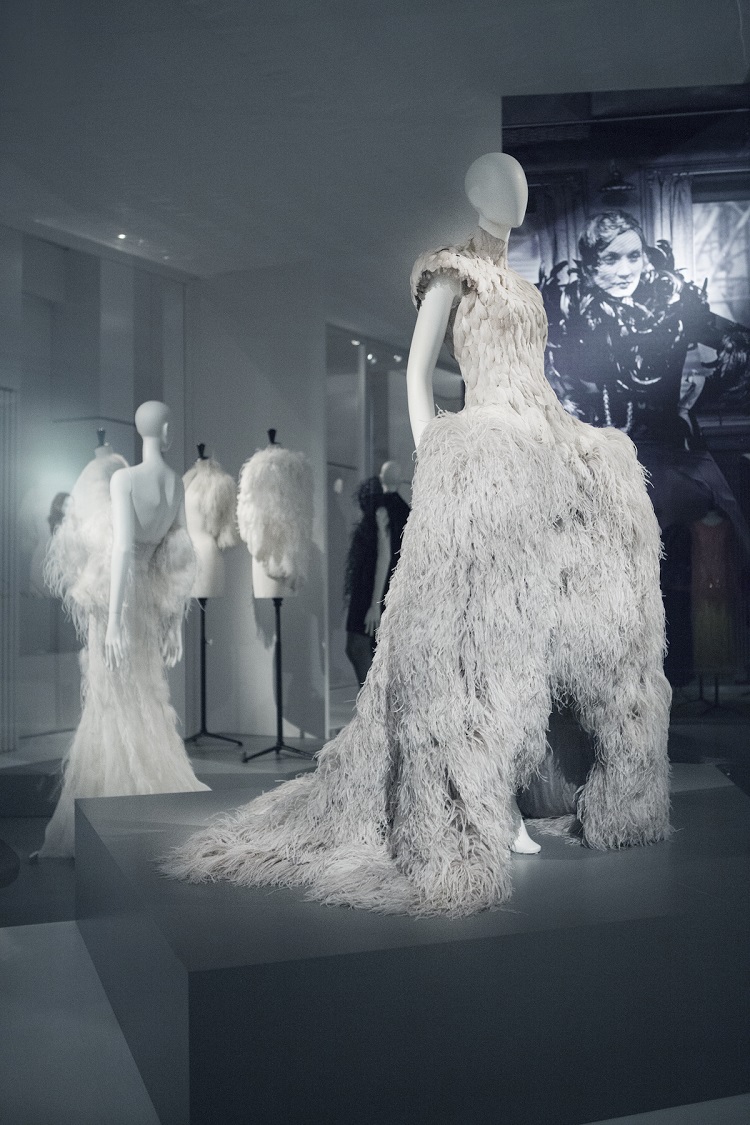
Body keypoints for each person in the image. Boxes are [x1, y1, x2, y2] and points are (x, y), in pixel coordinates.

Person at [163, 156, 670, 916]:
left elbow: (535, 376)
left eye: (522, 184)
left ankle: (562, 785)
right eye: (500, 182)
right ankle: (477, 798)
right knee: (478, 636)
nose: (516, 195)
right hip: (487, 450)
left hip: (542, 441)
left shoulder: (528, 288)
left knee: (560, 618)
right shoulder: (450, 273)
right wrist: (435, 447)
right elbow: (418, 370)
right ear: (474, 192)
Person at [541, 210, 750, 682]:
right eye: (610, 259)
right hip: (597, 465)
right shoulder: (568, 312)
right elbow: (549, 380)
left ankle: (671, 674)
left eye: (633, 256)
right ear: (590, 264)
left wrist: (699, 392)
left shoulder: (671, 304)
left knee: (674, 567)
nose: (624, 270)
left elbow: (737, 345)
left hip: (668, 459)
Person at [37, 401, 208, 859]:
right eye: (167, 424)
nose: (170, 430)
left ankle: (108, 811)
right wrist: (172, 620)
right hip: (148, 602)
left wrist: (113, 620)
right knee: (143, 695)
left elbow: (122, 550)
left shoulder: (124, 479)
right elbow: (178, 553)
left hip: (122, 600)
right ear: (159, 428)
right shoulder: (174, 483)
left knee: (112, 701)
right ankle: (134, 803)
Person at [344, 464, 410, 687]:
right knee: (371, 649)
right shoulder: (406, 512)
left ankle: (372, 701)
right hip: (387, 589)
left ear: (381, 477)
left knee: (358, 647)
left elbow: (384, 556)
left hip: (371, 587)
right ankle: (375, 701)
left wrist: (374, 604)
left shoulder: (381, 508)